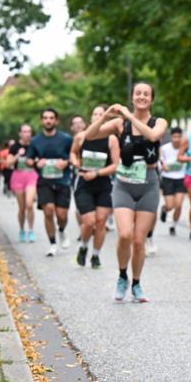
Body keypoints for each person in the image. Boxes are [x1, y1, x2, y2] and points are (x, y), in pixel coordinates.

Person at [84, 82, 167, 302]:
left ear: (151, 98)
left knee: (139, 240)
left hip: (148, 183)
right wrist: (105, 117)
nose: (142, 97)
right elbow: (88, 135)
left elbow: (152, 137)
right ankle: (122, 276)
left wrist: (130, 116)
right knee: (124, 235)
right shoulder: (119, 123)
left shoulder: (158, 122)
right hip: (124, 183)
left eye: (146, 94)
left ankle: (137, 283)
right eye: (138, 93)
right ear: (132, 97)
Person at [71, 106, 120, 269]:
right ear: (91, 118)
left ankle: (95, 255)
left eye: (101, 114)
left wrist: (97, 173)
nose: (98, 117)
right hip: (84, 183)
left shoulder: (111, 139)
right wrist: (76, 162)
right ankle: (84, 246)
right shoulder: (81, 136)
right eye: (95, 114)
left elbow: (115, 165)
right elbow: (73, 153)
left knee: (100, 222)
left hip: (103, 184)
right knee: (89, 221)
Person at [27, 108, 74, 256]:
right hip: (44, 181)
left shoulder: (66, 139)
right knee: (48, 211)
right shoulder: (35, 141)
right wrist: (36, 162)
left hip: (63, 180)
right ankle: (53, 243)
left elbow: (74, 156)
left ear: (56, 121)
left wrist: (66, 162)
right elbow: (28, 159)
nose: (48, 120)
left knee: (61, 215)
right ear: (42, 121)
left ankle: (61, 230)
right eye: (45, 118)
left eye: (51, 118)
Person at [8, 124, 38, 242]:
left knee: (29, 204)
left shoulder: (34, 145)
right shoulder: (14, 146)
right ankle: (22, 229)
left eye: (29, 132)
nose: (27, 134)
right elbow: (8, 163)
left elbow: (40, 158)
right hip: (18, 176)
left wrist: (35, 160)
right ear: (20, 133)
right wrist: (17, 155)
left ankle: (31, 230)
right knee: (22, 208)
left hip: (31, 175)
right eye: (24, 132)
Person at [159, 126, 187, 236]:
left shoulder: (185, 148)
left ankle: (173, 225)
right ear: (171, 137)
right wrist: (163, 166)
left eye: (179, 137)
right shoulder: (165, 148)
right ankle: (164, 209)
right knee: (170, 205)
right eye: (174, 137)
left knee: (179, 204)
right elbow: (160, 160)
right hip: (168, 178)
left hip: (181, 178)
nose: (177, 139)